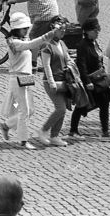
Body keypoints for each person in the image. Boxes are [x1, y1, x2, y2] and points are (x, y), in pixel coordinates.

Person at [0, 12, 59, 150]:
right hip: (17, 78)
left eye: (27, 27)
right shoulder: (14, 42)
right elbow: (32, 44)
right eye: (24, 28)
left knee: (30, 110)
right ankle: (23, 141)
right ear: (16, 29)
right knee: (24, 110)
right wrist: (48, 35)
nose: (27, 30)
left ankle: (6, 125)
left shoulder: (21, 40)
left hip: (25, 77)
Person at [69, 18, 110, 141]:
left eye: (98, 29)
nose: (98, 32)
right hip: (92, 81)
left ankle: (105, 131)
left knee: (104, 103)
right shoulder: (83, 45)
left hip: (99, 80)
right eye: (95, 30)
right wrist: (87, 82)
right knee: (82, 105)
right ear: (87, 31)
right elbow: (82, 65)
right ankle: (73, 131)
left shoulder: (94, 42)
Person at [36, 16, 76, 147]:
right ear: (53, 29)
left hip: (64, 82)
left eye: (65, 29)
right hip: (52, 82)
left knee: (63, 110)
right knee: (60, 108)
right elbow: (46, 66)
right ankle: (43, 130)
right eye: (61, 30)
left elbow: (68, 59)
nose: (63, 32)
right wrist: (51, 82)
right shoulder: (47, 45)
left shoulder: (62, 43)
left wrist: (72, 66)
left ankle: (54, 136)